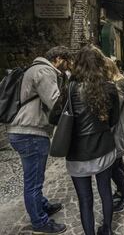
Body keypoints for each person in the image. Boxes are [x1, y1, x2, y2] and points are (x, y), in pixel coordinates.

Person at [7, 46, 71, 234]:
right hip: (31, 132)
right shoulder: (45, 71)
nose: (67, 67)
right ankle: (39, 222)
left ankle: (41, 205)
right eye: (67, 63)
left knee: (35, 177)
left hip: (28, 131)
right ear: (59, 59)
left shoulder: (36, 69)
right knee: (33, 181)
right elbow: (55, 103)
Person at [65, 45, 119, 235]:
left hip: (77, 152)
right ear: (100, 64)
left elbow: (55, 117)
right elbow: (114, 120)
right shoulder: (110, 88)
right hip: (103, 148)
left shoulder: (69, 88)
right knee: (105, 192)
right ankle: (107, 230)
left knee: (85, 200)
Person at [105, 58, 124, 213]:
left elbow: (112, 115)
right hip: (122, 131)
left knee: (113, 166)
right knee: (118, 162)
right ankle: (120, 190)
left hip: (118, 132)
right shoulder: (121, 83)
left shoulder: (116, 87)